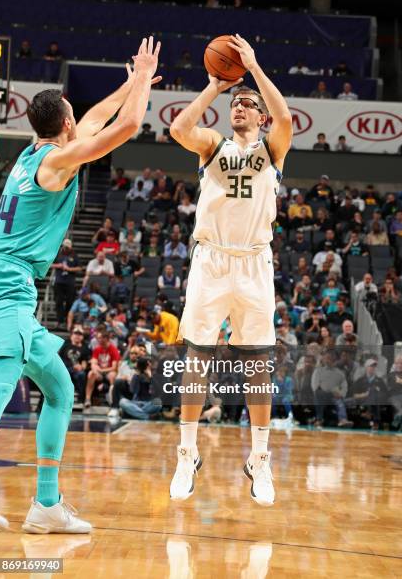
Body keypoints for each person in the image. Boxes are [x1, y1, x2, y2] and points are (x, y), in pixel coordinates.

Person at [0, 35, 160, 532]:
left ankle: (46, 505)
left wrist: (130, 83)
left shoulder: (32, 155)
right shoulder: (55, 165)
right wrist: (143, 84)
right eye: (73, 115)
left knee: (62, 390)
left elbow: (89, 123)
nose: (79, 120)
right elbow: (127, 125)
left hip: (10, 284)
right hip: (7, 289)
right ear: (64, 124)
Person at [169, 34, 292, 505]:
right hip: (212, 259)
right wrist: (215, 87)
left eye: (247, 104)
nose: (238, 108)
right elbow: (180, 128)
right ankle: (186, 452)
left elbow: (283, 117)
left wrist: (255, 69)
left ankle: (259, 459)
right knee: (197, 357)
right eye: (235, 103)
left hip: (255, 261)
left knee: (258, 364)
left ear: (259, 117)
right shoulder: (213, 146)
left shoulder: (273, 150)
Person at [51, 238, 81, 329]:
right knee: (58, 301)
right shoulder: (58, 254)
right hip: (59, 282)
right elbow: (50, 264)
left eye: (68, 247)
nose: (66, 249)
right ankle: (59, 321)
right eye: (65, 247)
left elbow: (79, 268)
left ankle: (67, 320)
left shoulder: (74, 255)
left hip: (70, 282)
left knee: (70, 301)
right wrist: (58, 266)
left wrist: (69, 269)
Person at [85, 331, 120, 409]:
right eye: (98, 338)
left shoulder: (113, 349)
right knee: (91, 374)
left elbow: (114, 368)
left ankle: (113, 400)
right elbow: (93, 363)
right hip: (100, 372)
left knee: (112, 375)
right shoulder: (97, 349)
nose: (98, 340)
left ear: (106, 339)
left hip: (109, 371)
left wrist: (101, 370)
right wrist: (95, 369)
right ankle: (87, 399)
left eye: (100, 338)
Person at [59, 327, 90, 404]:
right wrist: (72, 366)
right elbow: (59, 358)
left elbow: (85, 360)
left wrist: (82, 366)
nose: (77, 336)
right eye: (76, 333)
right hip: (65, 368)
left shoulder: (85, 347)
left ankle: (81, 398)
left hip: (77, 370)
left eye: (80, 334)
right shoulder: (66, 344)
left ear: (82, 337)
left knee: (82, 374)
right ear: (72, 335)